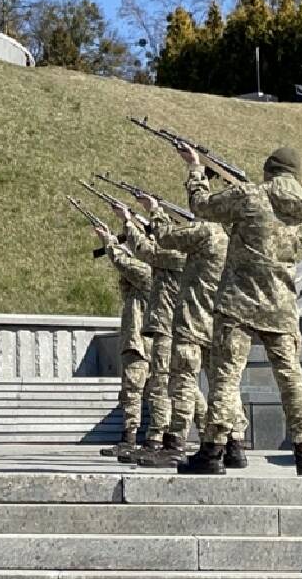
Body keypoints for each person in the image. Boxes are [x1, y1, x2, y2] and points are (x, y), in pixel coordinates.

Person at [177, 146, 302, 476]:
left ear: (269, 169)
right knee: (291, 378)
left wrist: (197, 171)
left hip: (239, 301)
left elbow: (201, 207)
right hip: (281, 303)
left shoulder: (249, 196)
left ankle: (212, 452)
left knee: (226, 376)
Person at [130, 195, 220, 468]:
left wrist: (129, 226)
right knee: (190, 385)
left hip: (180, 325)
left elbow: (148, 252)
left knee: (173, 383)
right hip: (189, 324)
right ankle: (211, 438)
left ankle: (167, 441)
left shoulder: (181, 253)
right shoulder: (205, 250)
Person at [119, 206, 185, 463]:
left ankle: (155, 439)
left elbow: (134, 260)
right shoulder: (164, 266)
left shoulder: (158, 265)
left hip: (160, 335)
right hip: (165, 332)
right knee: (184, 387)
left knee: (160, 386)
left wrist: (121, 232)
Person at [92, 223, 153, 461]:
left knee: (132, 391)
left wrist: (110, 242)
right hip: (150, 341)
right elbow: (126, 280)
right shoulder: (162, 270)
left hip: (140, 341)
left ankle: (130, 438)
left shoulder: (149, 271)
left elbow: (125, 265)